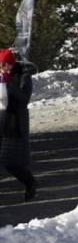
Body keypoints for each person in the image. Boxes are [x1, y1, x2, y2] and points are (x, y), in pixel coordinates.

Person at [0, 49, 36, 201]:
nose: (2, 68)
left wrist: (8, 86)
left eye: (4, 65)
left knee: (13, 162)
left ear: (10, 64)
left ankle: (30, 183)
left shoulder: (23, 75)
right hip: (2, 118)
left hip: (16, 121)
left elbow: (24, 98)